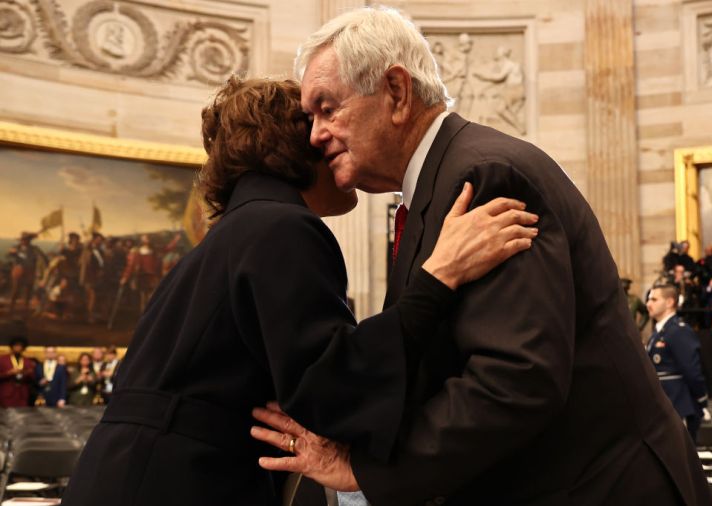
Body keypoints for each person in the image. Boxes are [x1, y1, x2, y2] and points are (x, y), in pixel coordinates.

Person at [250, 7, 712, 506]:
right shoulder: (442, 181)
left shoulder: (484, 176)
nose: (314, 135)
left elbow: (517, 379)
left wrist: (367, 469)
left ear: (397, 93)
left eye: (326, 108)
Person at [61, 77, 536, 506]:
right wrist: (439, 277)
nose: (332, 142)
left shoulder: (238, 231)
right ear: (297, 144)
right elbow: (333, 388)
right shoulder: (281, 227)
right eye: (321, 124)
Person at [645, 284, 708, 441]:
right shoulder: (657, 333)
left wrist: (701, 400)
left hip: (677, 405)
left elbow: (692, 371)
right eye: (648, 299)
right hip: (662, 406)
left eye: (653, 299)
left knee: (680, 459)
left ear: (669, 302)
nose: (648, 303)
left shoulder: (678, 330)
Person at [0, 335, 36, 407]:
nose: (18, 348)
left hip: (22, 394)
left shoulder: (27, 361)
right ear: (12, 347)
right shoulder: (2, 360)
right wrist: (9, 373)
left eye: (20, 346)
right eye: (16, 345)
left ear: (23, 348)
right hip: (7, 394)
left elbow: (33, 378)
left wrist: (26, 373)